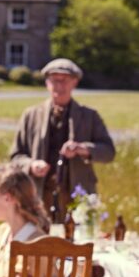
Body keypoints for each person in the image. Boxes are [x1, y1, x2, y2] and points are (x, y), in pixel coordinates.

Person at [10, 58, 115, 220]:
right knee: (38, 243)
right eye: (54, 80)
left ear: (75, 82)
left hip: (78, 198)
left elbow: (109, 152)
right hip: (37, 196)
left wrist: (83, 149)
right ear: (46, 83)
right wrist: (31, 165)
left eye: (64, 80)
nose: (59, 86)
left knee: (79, 243)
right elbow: (15, 157)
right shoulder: (31, 115)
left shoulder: (89, 116)